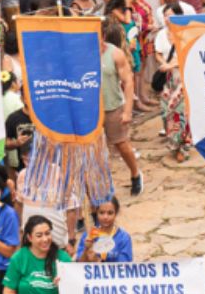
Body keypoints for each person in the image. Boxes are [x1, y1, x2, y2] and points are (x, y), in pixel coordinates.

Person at [100, 26, 142, 195]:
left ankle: (135, 173)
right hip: (92, 111)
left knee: (122, 145)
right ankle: (103, 185)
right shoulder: (81, 54)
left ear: (102, 35)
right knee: (97, 150)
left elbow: (128, 82)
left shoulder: (115, 54)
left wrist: (127, 111)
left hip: (113, 107)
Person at [2, 216, 71, 294]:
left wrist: (64, 285)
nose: (45, 239)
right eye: (39, 235)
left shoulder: (63, 257)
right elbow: (8, 290)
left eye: (47, 233)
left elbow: (74, 288)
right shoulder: (19, 257)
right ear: (29, 238)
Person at [75, 197, 133, 264]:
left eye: (110, 213)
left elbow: (126, 265)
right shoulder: (88, 235)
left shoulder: (123, 237)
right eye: (101, 213)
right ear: (96, 213)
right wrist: (86, 249)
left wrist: (99, 261)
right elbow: (79, 266)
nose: (105, 217)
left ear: (116, 213)